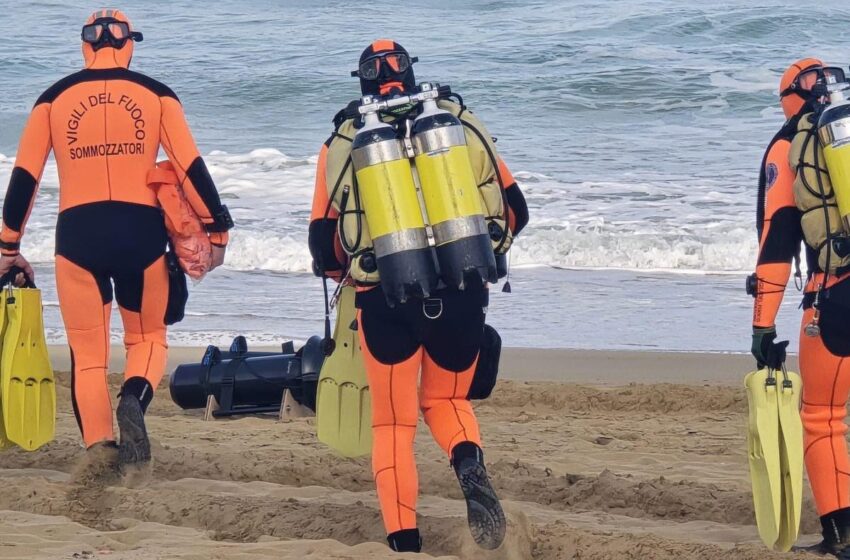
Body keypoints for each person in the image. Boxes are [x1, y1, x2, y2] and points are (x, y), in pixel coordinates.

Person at [309, 39, 528, 553]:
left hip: (385, 298)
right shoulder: (453, 119)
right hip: (462, 285)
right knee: (447, 399)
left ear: (363, 81)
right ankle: (468, 462)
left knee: (392, 422)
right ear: (409, 75)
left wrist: (357, 270)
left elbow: (323, 245)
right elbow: (516, 207)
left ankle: (405, 542)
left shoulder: (343, 139)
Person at [0, 9, 232, 467]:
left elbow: (24, 177)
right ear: (129, 44)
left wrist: (8, 246)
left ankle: (101, 454)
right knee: (146, 338)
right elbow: (190, 167)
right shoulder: (157, 95)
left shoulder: (52, 99)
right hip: (139, 233)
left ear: (85, 45)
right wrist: (217, 228)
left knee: (87, 355)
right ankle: (134, 395)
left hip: (77, 237)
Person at [750, 58, 850, 556]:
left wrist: (762, 327)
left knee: (823, 418)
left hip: (835, 296)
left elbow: (777, 241)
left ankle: (841, 536)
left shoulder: (791, 146)